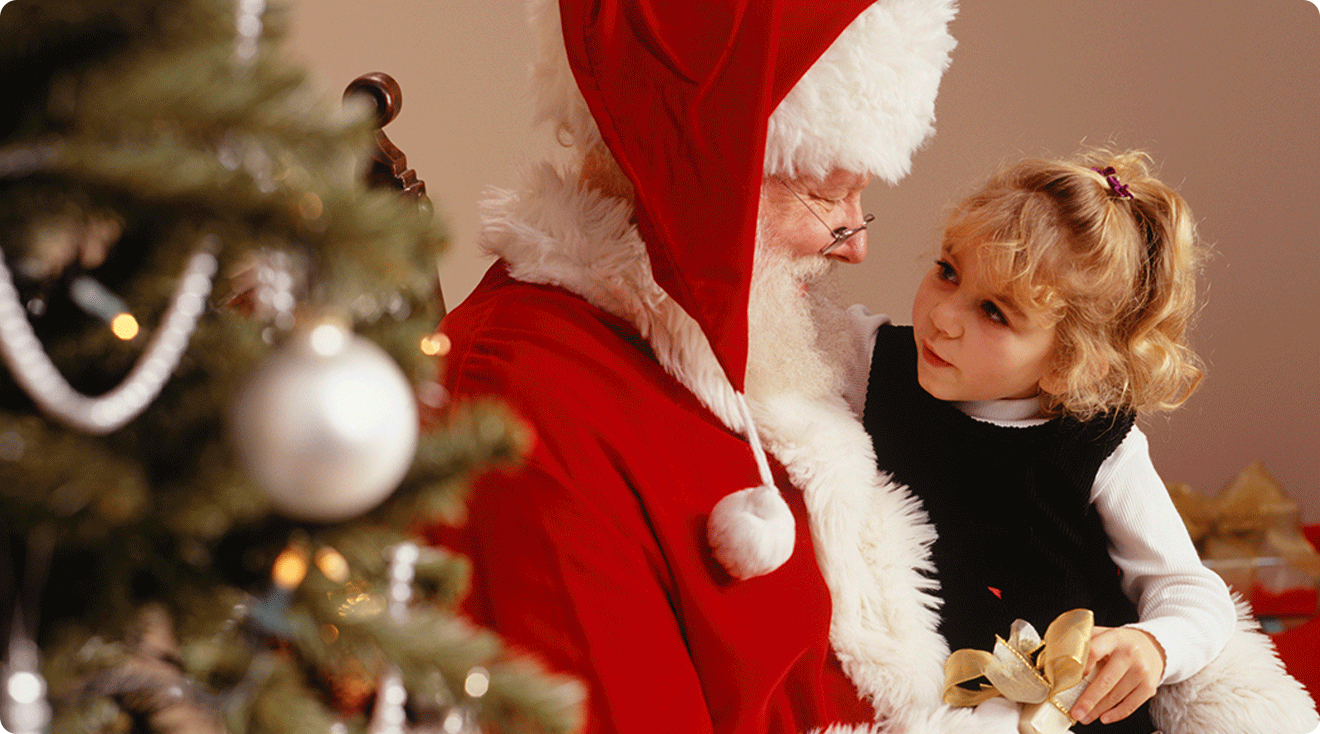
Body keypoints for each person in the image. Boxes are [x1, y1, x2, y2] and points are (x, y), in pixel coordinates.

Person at [424, 0, 1014, 732]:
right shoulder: (523, 402)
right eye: (828, 192)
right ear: (700, 172)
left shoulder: (745, 358)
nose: (852, 242)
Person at [853, 151, 1318, 733]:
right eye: (948, 270)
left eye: (994, 312)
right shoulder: (872, 359)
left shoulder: (1099, 446)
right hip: (930, 702)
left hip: (1073, 715)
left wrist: (1151, 646)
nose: (944, 316)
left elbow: (1185, 586)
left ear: (1071, 362)